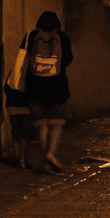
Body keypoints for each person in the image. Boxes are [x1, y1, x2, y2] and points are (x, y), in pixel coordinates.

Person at [24, 11, 73, 174]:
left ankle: (45, 162)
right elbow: (68, 59)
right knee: (57, 122)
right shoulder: (62, 37)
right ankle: (51, 154)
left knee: (41, 125)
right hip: (57, 87)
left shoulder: (32, 36)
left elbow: (25, 58)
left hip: (35, 87)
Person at [3, 74, 33, 168]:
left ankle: (17, 156)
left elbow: (6, 86)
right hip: (26, 106)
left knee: (15, 131)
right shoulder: (31, 71)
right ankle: (22, 159)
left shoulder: (14, 72)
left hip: (13, 105)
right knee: (26, 133)